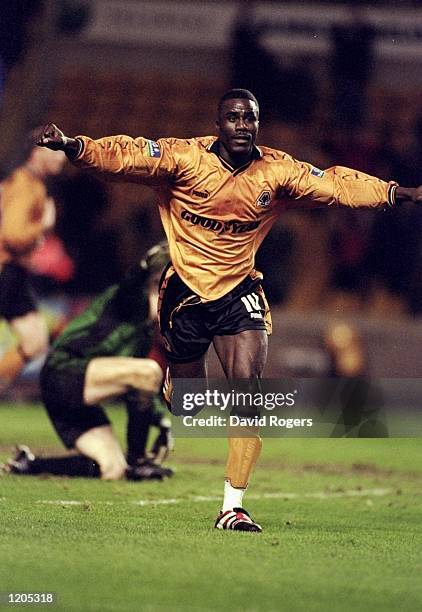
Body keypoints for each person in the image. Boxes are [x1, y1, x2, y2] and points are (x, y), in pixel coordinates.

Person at [35, 89, 422, 531]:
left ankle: (231, 507)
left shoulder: (276, 170)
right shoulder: (185, 159)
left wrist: (397, 193)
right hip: (184, 293)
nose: (242, 125)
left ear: (257, 124)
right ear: (218, 124)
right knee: (189, 407)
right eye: (233, 117)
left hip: (240, 292)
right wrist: (75, 146)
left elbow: (335, 184)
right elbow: (126, 156)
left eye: (250, 118)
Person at [4, 243, 173, 481]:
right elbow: (133, 282)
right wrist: (147, 263)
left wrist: (161, 421)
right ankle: (139, 461)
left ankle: (30, 464)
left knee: (112, 468)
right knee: (148, 371)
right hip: (64, 370)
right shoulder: (129, 300)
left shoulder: (143, 332)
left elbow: (138, 390)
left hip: (74, 394)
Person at [0, 144, 66, 393]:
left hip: (14, 273)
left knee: (35, 340)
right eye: (56, 151)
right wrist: (43, 226)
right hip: (5, 269)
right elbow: (13, 235)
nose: (62, 158)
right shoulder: (24, 184)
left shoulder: (32, 183)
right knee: (34, 340)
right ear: (37, 153)